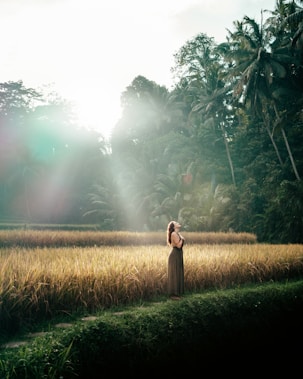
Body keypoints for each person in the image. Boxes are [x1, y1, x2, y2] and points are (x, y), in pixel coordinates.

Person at [166, 220, 185, 299]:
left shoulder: (177, 233)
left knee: (177, 272)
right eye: (176, 223)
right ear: (174, 226)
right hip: (175, 255)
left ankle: (177, 293)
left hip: (178, 254)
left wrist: (181, 238)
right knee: (174, 274)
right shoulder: (174, 233)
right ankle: (173, 295)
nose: (178, 223)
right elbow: (179, 246)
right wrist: (183, 239)